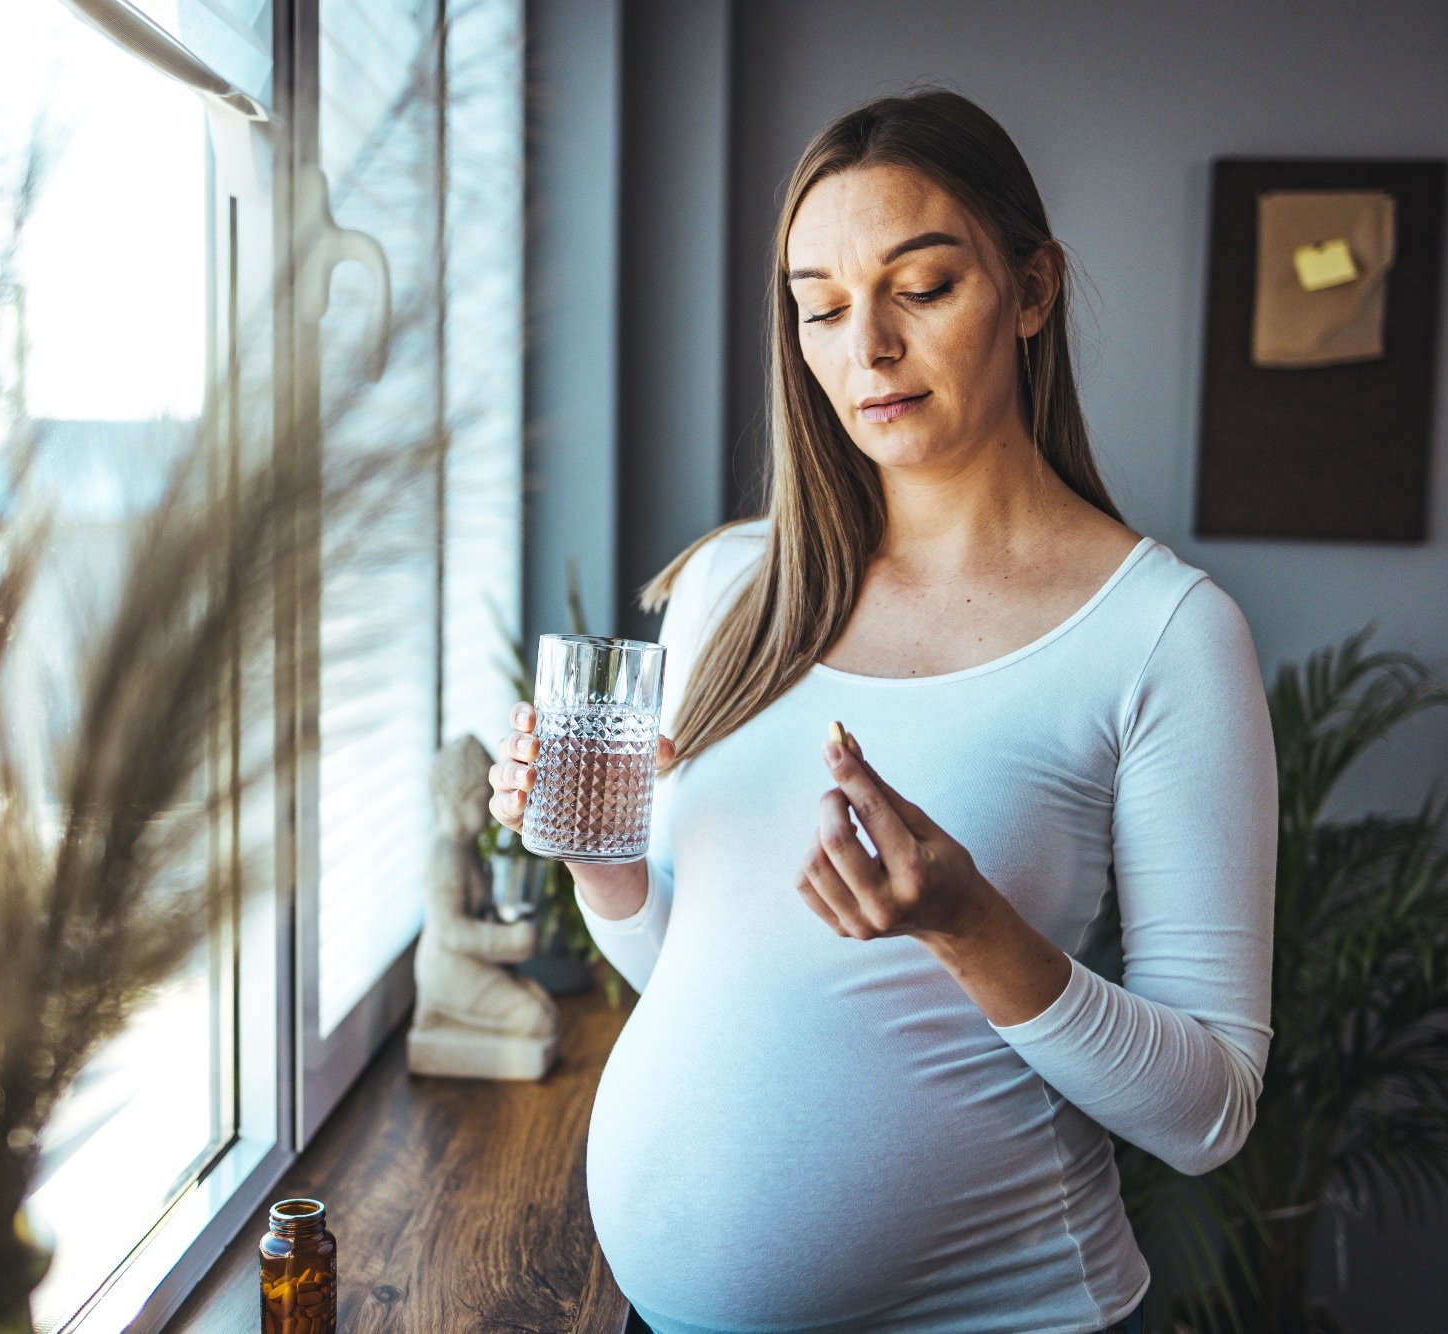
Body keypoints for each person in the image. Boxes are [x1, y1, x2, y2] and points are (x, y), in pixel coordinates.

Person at [490, 90, 1274, 1334]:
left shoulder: (1161, 634)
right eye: (820, 304)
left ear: (1029, 292)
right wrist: (602, 864)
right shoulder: (726, 588)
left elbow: (1210, 1112)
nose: (867, 345)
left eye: (920, 286)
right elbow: (687, 971)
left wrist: (967, 925)